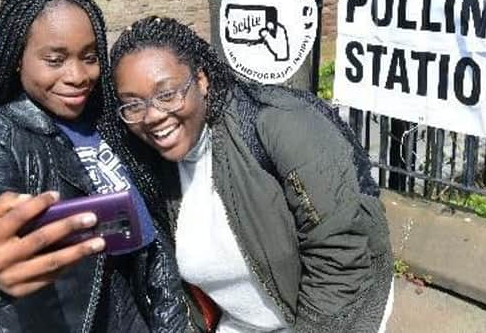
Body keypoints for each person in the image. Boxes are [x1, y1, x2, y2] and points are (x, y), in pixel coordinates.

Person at [110, 16, 395, 332]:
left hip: (336, 319)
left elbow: (341, 257)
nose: (152, 116)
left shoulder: (279, 125)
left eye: (167, 94)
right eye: (132, 105)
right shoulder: (151, 166)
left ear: (202, 80)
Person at [0, 0, 190, 332]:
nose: (78, 76)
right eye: (55, 60)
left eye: (89, 57)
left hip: (145, 312)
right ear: (17, 60)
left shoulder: (110, 119)